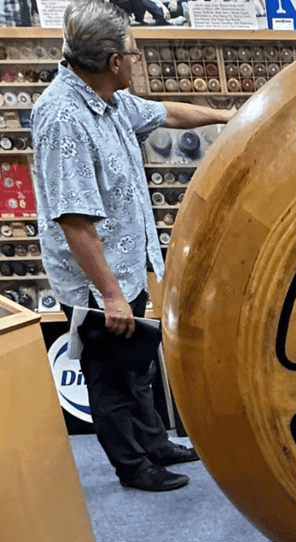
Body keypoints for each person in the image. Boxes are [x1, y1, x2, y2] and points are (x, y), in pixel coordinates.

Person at [31, 0, 234, 491]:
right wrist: (110, 295)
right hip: (96, 282)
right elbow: (75, 221)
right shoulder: (63, 118)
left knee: (135, 363)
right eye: (133, 53)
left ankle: (155, 443)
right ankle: (133, 466)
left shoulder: (110, 100)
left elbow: (167, 113)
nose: (137, 60)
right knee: (110, 377)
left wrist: (228, 116)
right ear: (113, 61)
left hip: (124, 264)